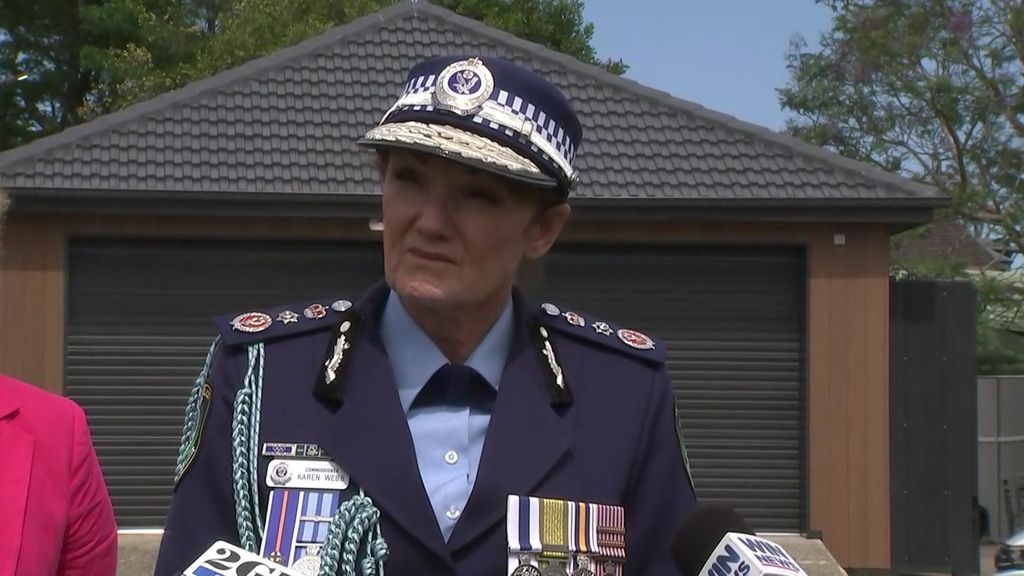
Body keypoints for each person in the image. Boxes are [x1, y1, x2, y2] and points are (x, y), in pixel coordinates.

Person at [155, 55, 697, 575]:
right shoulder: (262, 376)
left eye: (477, 195)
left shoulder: (622, 395)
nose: (430, 222)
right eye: (410, 179)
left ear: (542, 230)